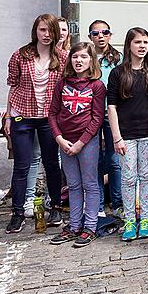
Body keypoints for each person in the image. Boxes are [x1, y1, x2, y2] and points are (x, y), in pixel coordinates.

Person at [3, 14, 67, 234]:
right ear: (35, 31)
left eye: (50, 31)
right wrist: (9, 117)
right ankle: (18, 213)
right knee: (22, 164)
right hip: (23, 115)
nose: (47, 35)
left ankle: (56, 207)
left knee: (51, 164)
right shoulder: (21, 55)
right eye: (42, 30)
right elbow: (12, 86)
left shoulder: (63, 57)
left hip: (49, 118)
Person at [48, 42, 107, 249]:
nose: (78, 61)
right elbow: (53, 113)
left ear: (91, 60)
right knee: (73, 184)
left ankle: (89, 226)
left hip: (86, 141)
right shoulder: (62, 83)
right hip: (65, 141)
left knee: (90, 184)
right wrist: (59, 138)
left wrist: (81, 143)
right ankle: (74, 225)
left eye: (83, 57)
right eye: (75, 57)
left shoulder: (97, 86)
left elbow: (97, 118)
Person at [108, 28, 148, 242]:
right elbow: (111, 107)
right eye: (138, 42)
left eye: (145, 42)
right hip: (126, 135)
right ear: (129, 44)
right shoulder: (118, 73)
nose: (142, 46)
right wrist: (116, 137)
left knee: (147, 177)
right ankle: (130, 220)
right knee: (129, 178)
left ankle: (146, 219)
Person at [89, 19, 123, 217]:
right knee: (95, 161)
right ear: (90, 37)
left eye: (105, 32)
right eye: (96, 33)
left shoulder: (118, 58)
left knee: (114, 159)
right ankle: (99, 204)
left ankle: (117, 203)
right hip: (92, 115)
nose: (100, 36)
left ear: (110, 35)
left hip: (113, 114)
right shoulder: (87, 56)